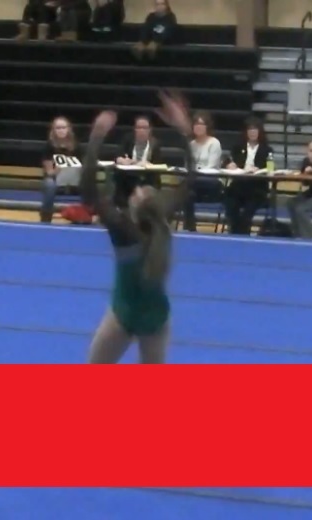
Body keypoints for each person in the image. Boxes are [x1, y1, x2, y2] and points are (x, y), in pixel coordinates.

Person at [81, 90, 195, 364]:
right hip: (156, 317)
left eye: (140, 191)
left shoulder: (123, 230)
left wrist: (96, 136)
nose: (138, 189)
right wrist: (185, 133)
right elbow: (190, 180)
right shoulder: (161, 220)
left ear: (135, 207)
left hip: (124, 314)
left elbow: (88, 192)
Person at [223, 117, 272, 235]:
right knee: (230, 203)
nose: (252, 132)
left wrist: (259, 170)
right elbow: (227, 160)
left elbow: (270, 168)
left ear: (260, 132)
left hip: (257, 188)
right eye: (250, 129)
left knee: (247, 212)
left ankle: (243, 236)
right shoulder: (238, 147)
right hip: (239, 185)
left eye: (255, 129)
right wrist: (229, 164)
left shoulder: (267, 150)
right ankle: (234, 234)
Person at [181, 110, 222, 232]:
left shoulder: (214, 143)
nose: (198, 127)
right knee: (187, 194)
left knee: (186, 187)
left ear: (207, 126)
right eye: (196, 124)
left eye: (201, 124)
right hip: (194, 183)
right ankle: (190, 227)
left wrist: (196, 171)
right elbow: (187, 165)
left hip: (210, 182)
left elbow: (212, 166)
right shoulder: (191, 144)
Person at [113, 114, 163, 208]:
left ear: (149, 130)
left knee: (139, 198)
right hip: (129, 181)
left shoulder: (155, 144)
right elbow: (117, 156)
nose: (141, 130)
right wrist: (121, 160)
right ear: (135, 129)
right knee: (119, 184)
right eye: (139, 127)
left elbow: (158, 166)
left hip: (148, 182)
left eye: (144, 128)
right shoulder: (127, 140)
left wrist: (148, 164)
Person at [41, 116, 82, 223]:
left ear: (69, 129)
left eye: (63, 127)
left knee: (90, 185)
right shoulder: (49, 146)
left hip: (74, 179)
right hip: (55, 179)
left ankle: (85, 217)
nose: (61, 130)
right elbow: (49, 172)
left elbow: (83, 166)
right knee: (49, 185)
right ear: (53, 130)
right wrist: (58, 170)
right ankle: (46, 218)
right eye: (58, 128)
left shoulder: (76, 146)